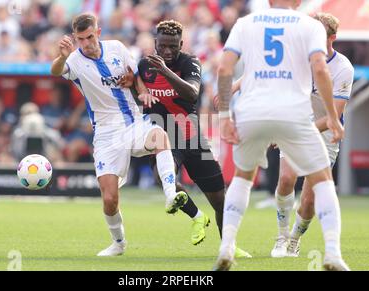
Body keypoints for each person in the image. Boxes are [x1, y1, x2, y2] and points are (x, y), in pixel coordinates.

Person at [214, 0, 348, 271]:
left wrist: (224, 116)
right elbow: (320, 69)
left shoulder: (246, 22)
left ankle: (226, 246)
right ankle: (332, 253)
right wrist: (333, 118)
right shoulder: (309, 25)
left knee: (242, 178)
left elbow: (225, 69)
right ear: (298, 1)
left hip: (252, 112)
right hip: (293, 113)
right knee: (323, 182)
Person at [50, 13, 187, 257]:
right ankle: (119, 243)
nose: (87, 43)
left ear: (98, 32)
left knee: (160, 137)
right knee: (110, 199)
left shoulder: (117, 48)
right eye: (81, 39)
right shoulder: (74, 60)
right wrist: (61, 57)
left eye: (90, 36)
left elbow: (135, 75)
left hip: (133, 122)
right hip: (105, 133)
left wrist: (142, 91)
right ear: (75, 38)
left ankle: (170, 195)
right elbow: (55, 71)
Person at [131, 20, 250, 258]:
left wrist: (164, 69)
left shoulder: (190, 62)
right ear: (155, 43)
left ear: (181, 44)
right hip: (163, 137)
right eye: (163, 45)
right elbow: (137, 90)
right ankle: (197, 216)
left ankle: (228, 245)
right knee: (163, 180)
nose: (167, 51)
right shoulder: (143, 65)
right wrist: (137, 90)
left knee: (219, 198)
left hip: (191, 137)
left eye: (172, 46)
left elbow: (192, 93)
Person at [270, 12, 354, 258]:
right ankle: (281, 237)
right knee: (286, 179)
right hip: (297, 125)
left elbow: (333, 116)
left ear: (333, 37)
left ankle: (294, 240)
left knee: (308, 201)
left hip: (325, 134)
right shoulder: (297, 59)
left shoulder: (343, 68)